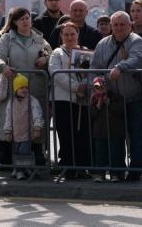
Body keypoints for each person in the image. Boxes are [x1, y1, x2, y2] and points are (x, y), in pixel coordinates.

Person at [89, 11, 142, 181]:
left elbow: (137, 58)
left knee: (136, 135)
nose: (119, 28)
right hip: (111, 100)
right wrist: (96, 84)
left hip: (133, 97)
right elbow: (94, 68)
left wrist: (120, 67)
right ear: (111, 27)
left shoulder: (136, 40)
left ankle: (135, 172)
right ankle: (117, 171)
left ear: (130, 25)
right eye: (116, 25)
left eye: (123, 24)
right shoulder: (102, 44)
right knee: (114, 136)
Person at [0, 7, 52, 166]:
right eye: (21, 19)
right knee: (13, 122)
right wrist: (2, 67)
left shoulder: (39, 38)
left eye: (27, 18)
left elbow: (50, 53)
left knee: (36, 120)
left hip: (36, 88)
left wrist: (45, 59)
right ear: (15, 22)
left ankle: (37, 158)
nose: (25, 21)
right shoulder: (7, 38)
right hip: (15, 88)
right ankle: (9, 160)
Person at [48, 21, 91, 179]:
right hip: (63, 99)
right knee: (65, 134)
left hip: (81, 100)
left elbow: (90, 72)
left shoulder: (85, 51)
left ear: (77, 34)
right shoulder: (57, 53)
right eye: (66, 34)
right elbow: (56, 73)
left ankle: (82, 167)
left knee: (82, 134)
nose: (69, 37)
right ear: (61, 36)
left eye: (72, 34)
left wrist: (85, 86)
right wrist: (76, 87)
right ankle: (67, 166)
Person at [1, 74, 44, 180]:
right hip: (15, 134)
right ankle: (24, 168)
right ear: (16, 89)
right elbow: (8, 117)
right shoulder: (11, 102)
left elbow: (37, 114)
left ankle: (20, 171)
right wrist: (7, 131)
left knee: (23, 151)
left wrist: (37, 127)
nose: (24, 89)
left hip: (27, 133)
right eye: (21, 87)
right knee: (16, 153)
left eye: (26, 87)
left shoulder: (32, 100)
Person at [89, 76, 126, 183]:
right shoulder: (93, 99)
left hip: (114, 132)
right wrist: (97, 106)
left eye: (102, 87)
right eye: (97, 88)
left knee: (115, 154)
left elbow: (120, 110)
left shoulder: (115, 97)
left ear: (106, 87)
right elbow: (91, 115)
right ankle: (100, 174)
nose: (100, 90)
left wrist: (109, 103)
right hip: (100, 132)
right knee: (100, 154)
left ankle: (115, 174)